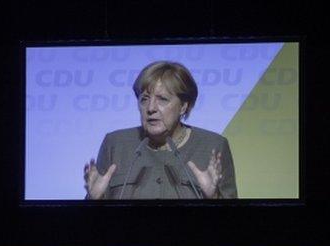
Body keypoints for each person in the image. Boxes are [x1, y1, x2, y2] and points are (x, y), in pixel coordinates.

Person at [84, 60, 237, 200]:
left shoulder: (213, 146)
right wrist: (94, 200)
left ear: (183, 106)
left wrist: (214, 198)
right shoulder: (115, 144)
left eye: (162, 99)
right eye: (144, 99)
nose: (150, 108)